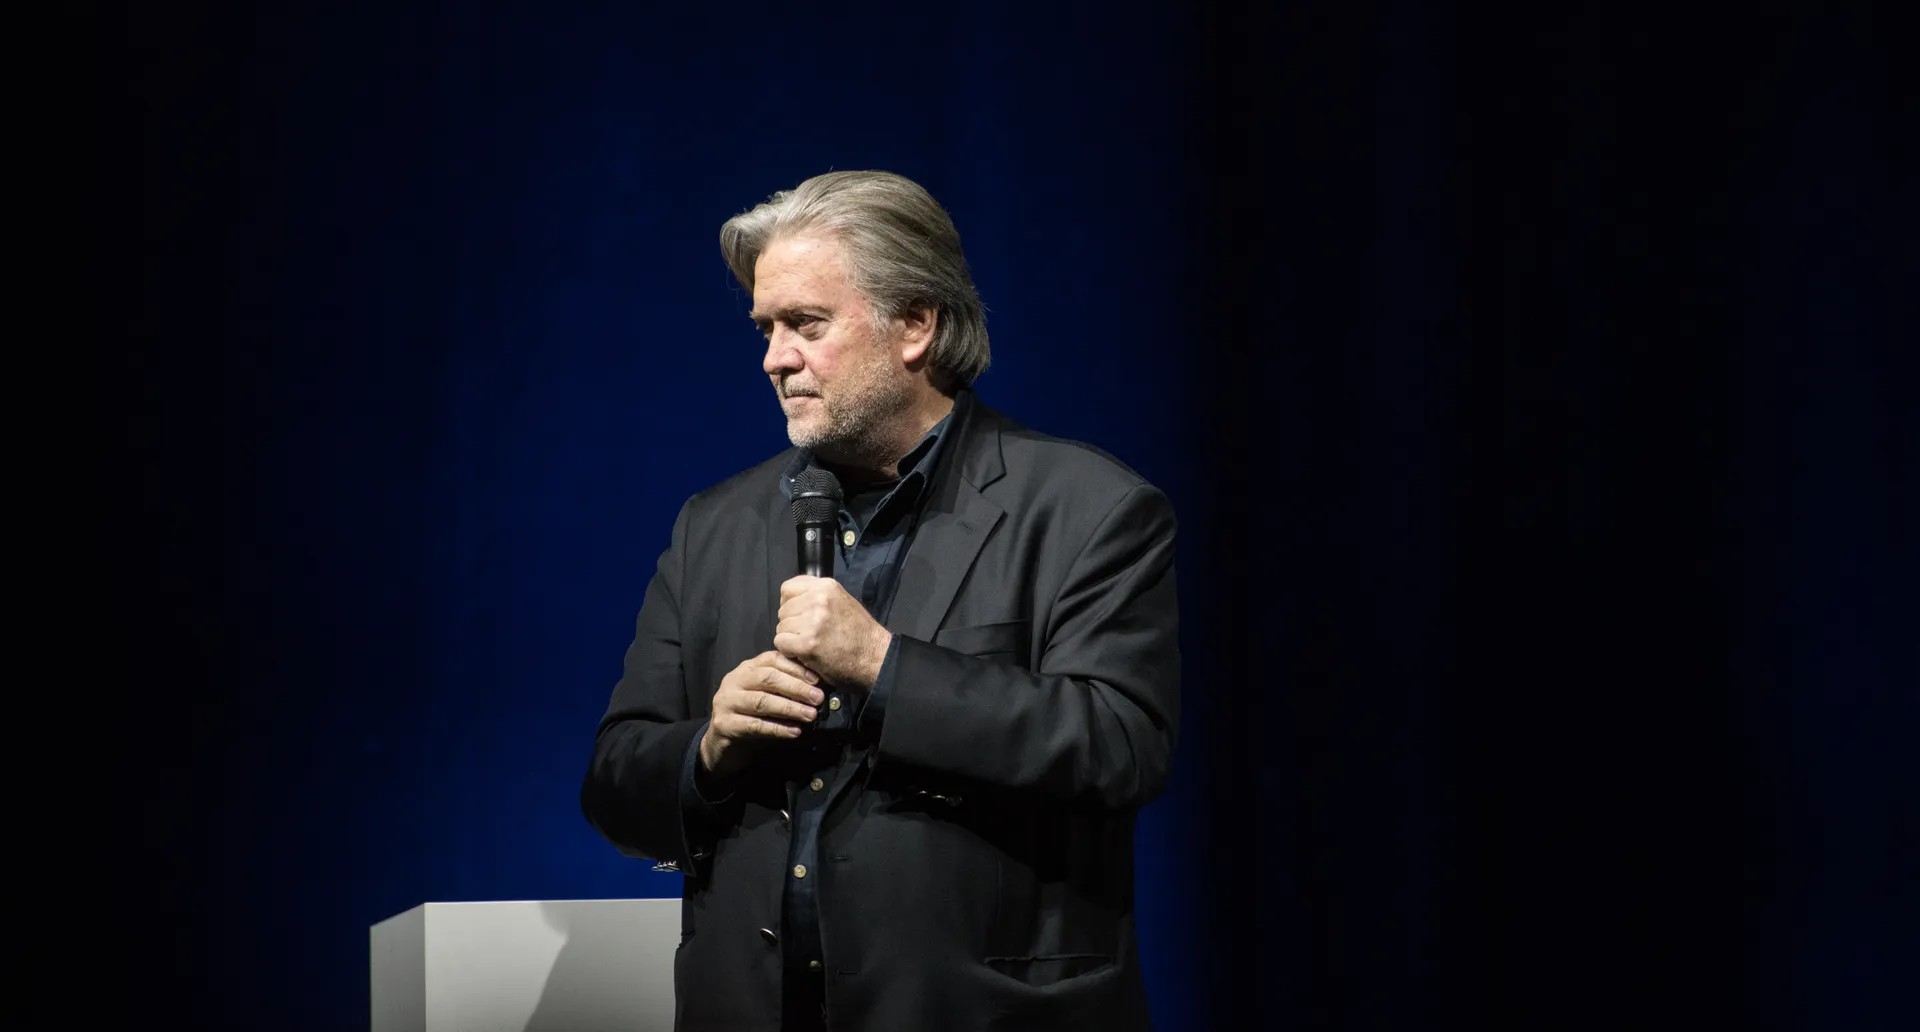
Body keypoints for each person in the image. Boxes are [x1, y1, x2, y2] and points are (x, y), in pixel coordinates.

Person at [580, 169, 1181, 1032]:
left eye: (806, 324)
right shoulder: (712, 525)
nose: (775, 358)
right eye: (766, 328)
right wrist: (709, 748)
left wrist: (884, 667)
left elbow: (1120, 746)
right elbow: (615, 782)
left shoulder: (1088, 507)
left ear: (916, 325)